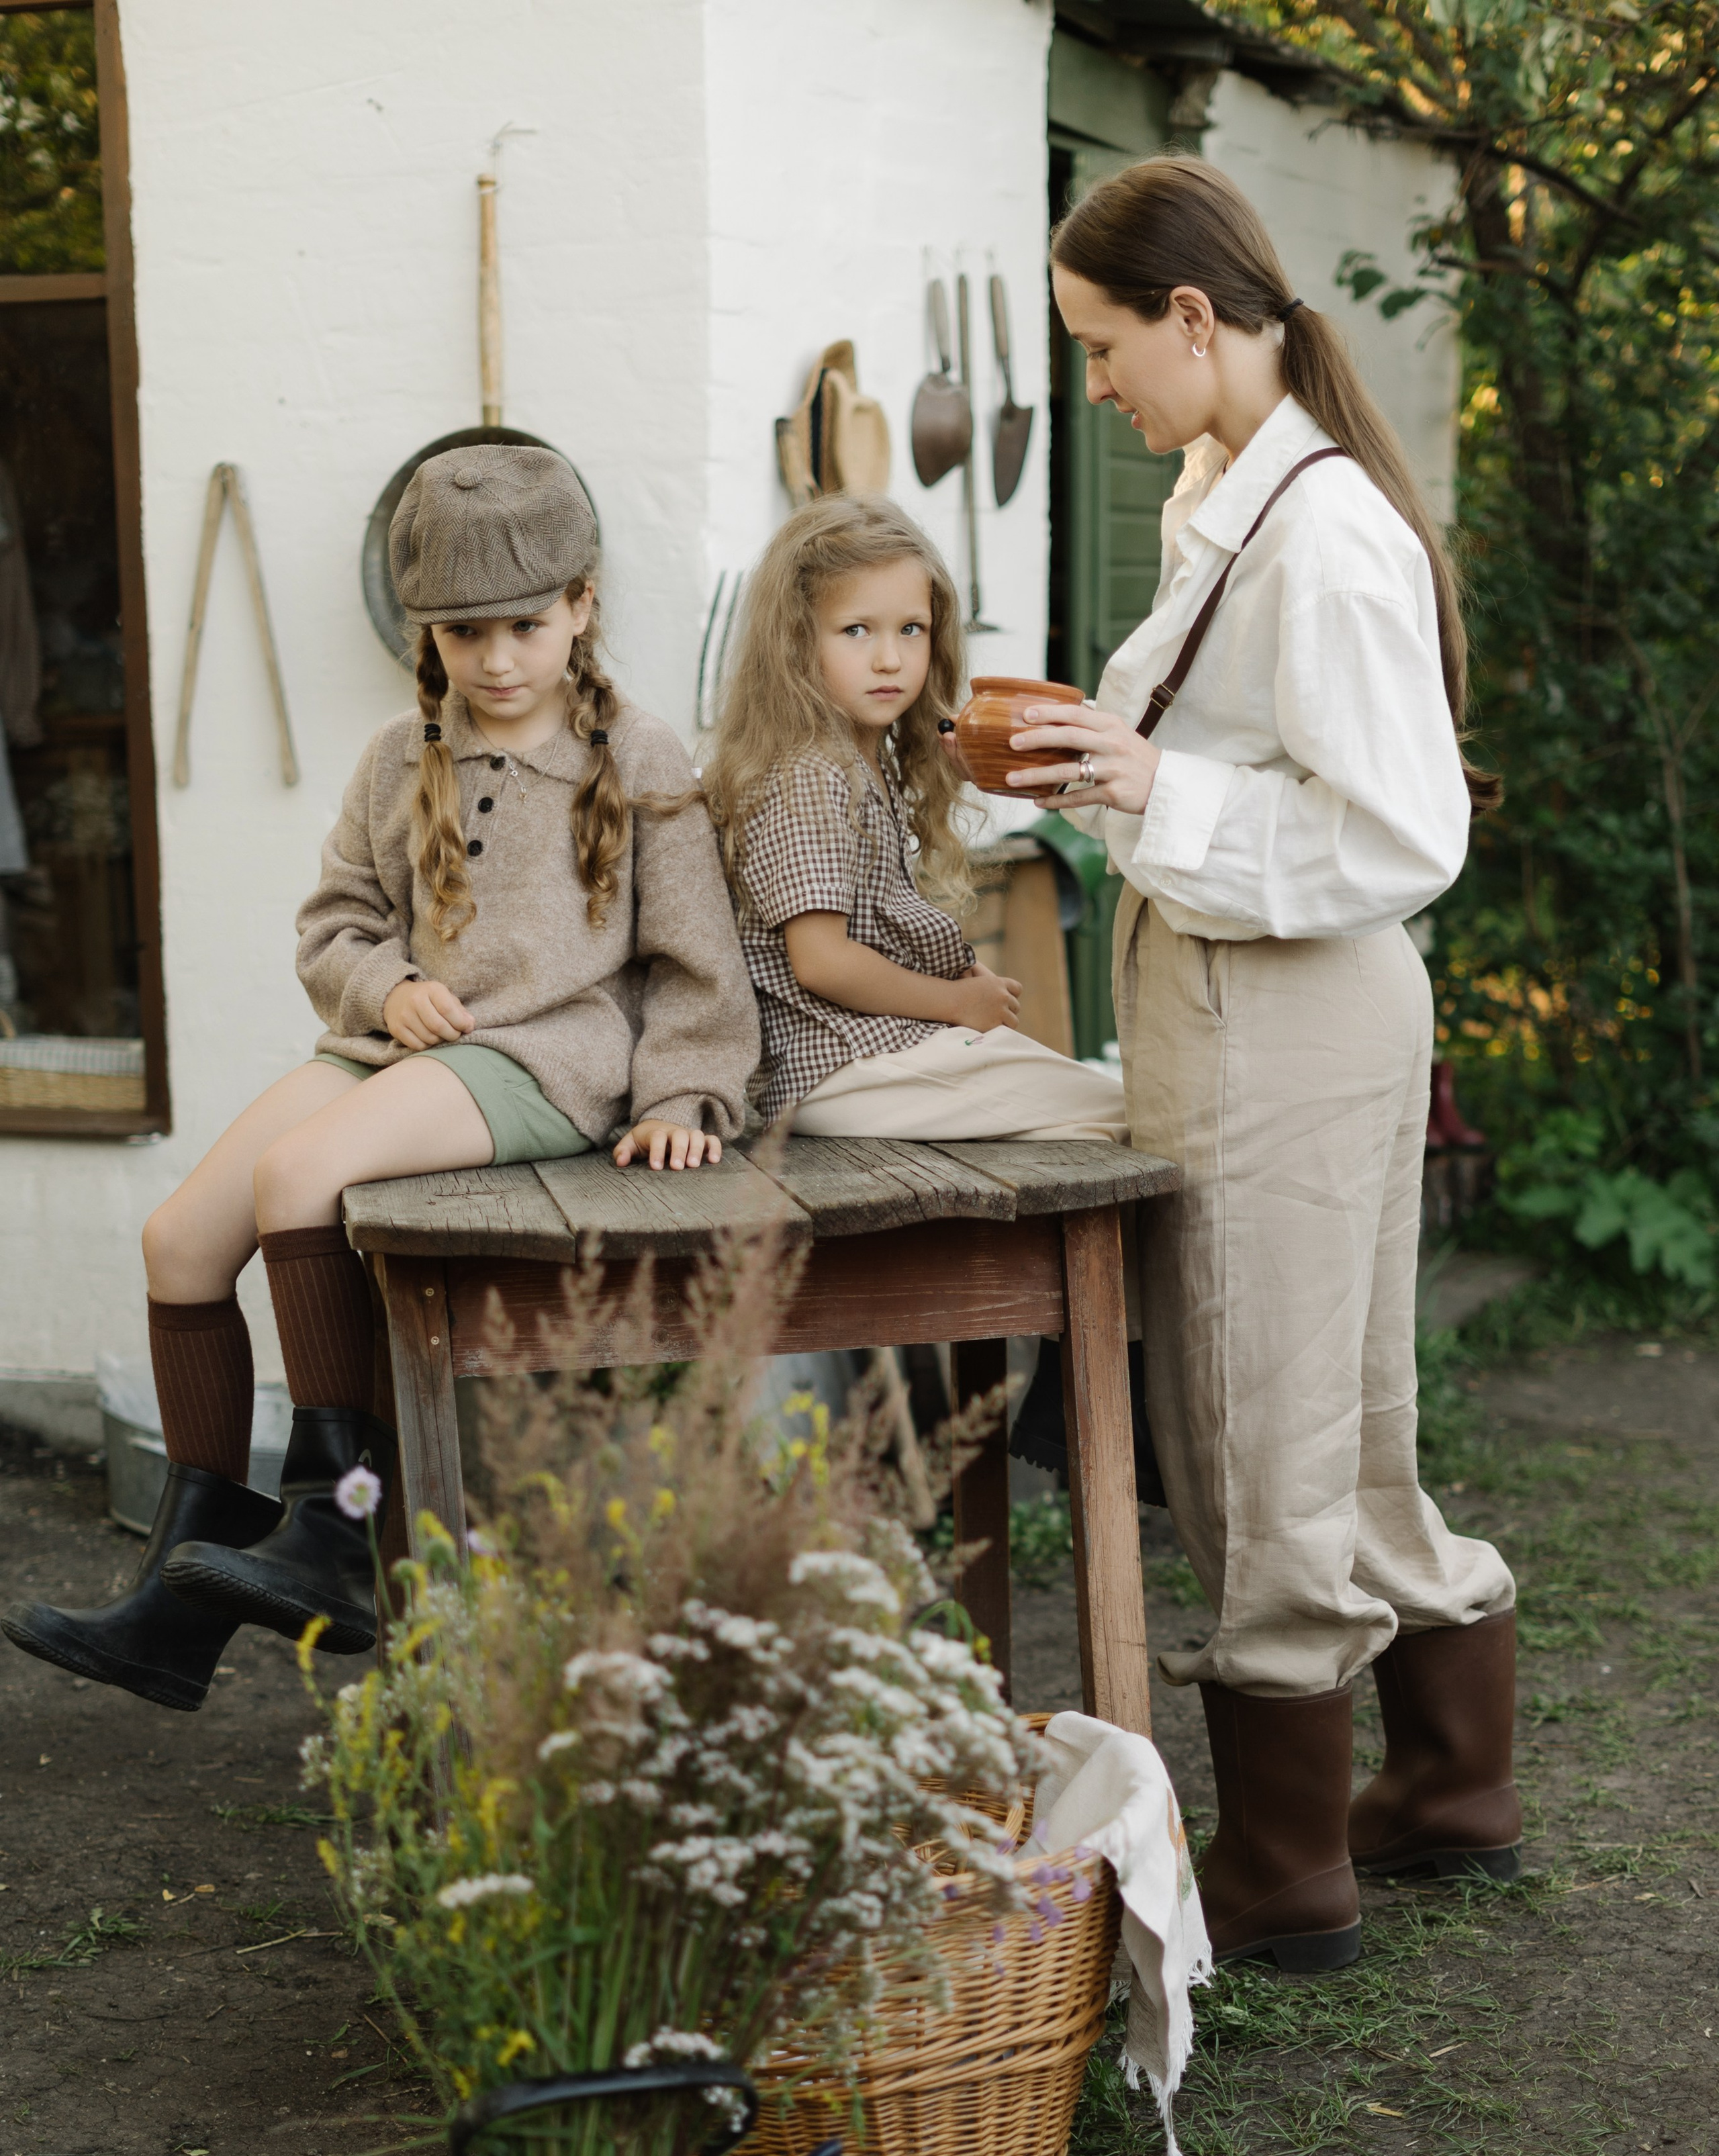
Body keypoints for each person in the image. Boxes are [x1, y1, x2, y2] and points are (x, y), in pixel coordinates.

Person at [3, 447, 757, 1714]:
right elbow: (335, 929)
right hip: (397, 1048)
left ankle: (338, 1523)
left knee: (303, 1176)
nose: (500, 657)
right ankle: (177, 1608)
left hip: (546, 1063)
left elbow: (699, 963)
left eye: (527, 623)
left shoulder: (640, 753)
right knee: (180, 1239)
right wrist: (384, 986)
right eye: (466, 631)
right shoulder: (391, 759)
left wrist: (687, 1096)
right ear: (429, 632)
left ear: (581, 605)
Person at [1003, 159, 1517, 1973]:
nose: (1096, 386)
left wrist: (1157, 790)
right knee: (1327, 1417)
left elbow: (1403, 829)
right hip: (1248, 989)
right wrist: (1107, 748)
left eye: (1102, 345)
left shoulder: (1327, 532)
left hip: (1281, 1002)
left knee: (1251, 1427)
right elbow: (1234, 742)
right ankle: (1454, 1782)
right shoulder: (1234, 485)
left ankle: (1288, 1872)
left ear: (1195, 321)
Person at [703, 494, 1129, 1145]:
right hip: (835, 1063)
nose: (888, 659)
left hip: (869, 1054)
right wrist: (955, 1003)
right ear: (794, 642)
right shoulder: (809, 774)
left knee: (1095, 1115)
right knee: (1127, 1114)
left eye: (911, 630)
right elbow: (821, 961)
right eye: (856, 631)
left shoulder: (859, 762)